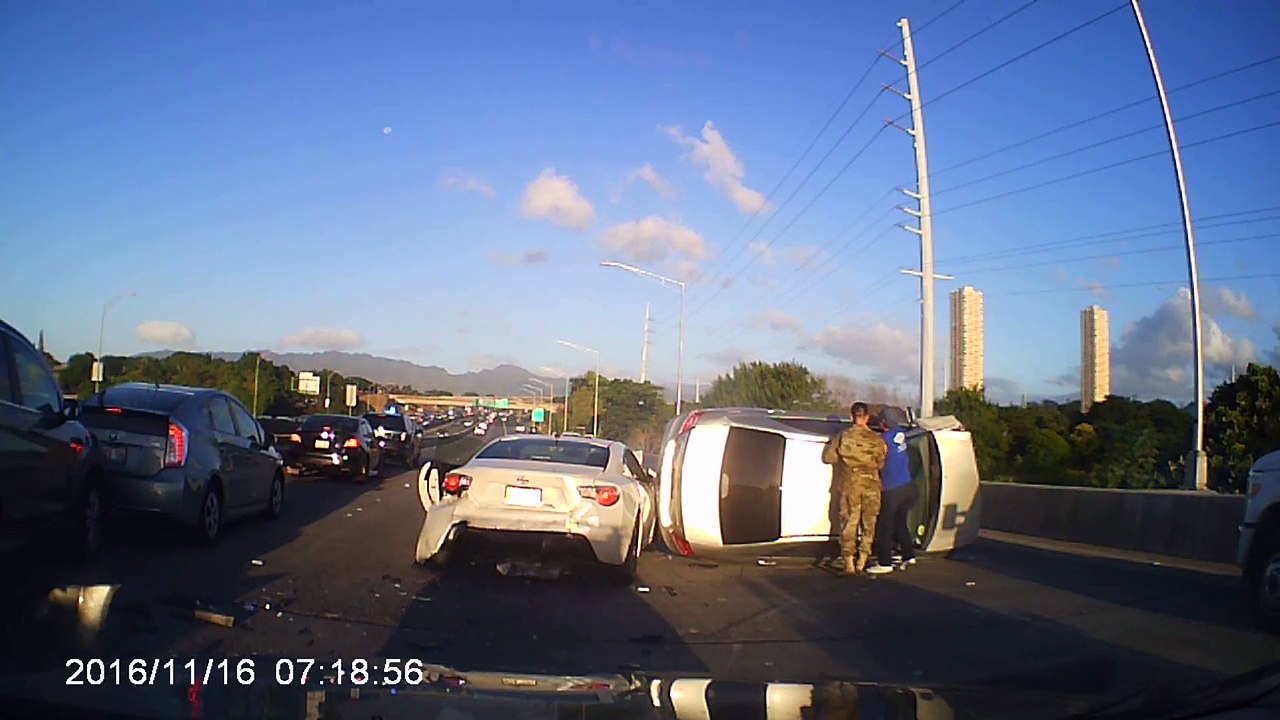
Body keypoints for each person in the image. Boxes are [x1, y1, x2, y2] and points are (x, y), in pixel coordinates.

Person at [822, 402, 887, 575]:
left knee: (849, 523)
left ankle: (849, 564)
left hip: (849, 485)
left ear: (852, 416)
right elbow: (880, 463)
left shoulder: (843, 436)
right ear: (867, 417)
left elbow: (828, 458)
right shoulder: (877, 439)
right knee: (869, 524)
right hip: (871, 486)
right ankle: (862, 562)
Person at [866, 406, 917, 575]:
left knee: (885, 527)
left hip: (892, 489)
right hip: (908, 487)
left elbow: (874, 460)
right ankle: (908, 555)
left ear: (883, 423)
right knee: (900, 522)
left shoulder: (882, 440)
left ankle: (884, 562)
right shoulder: (900, 434)